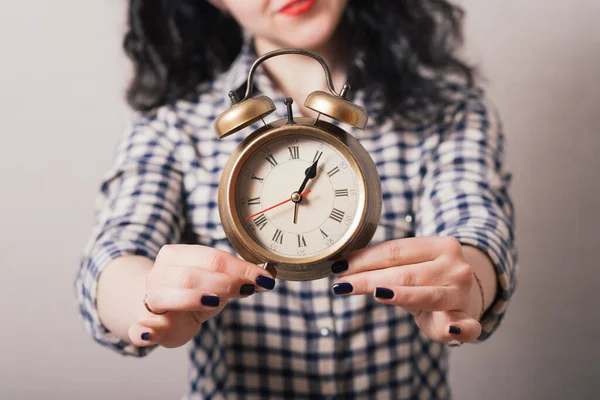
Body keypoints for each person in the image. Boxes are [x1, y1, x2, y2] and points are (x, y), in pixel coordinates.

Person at [75, 0, 517, 398]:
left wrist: (467, 285)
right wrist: (147, 298)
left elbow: (475, 225)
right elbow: (116, 248)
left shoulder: (450, 112)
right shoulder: (172, 129)